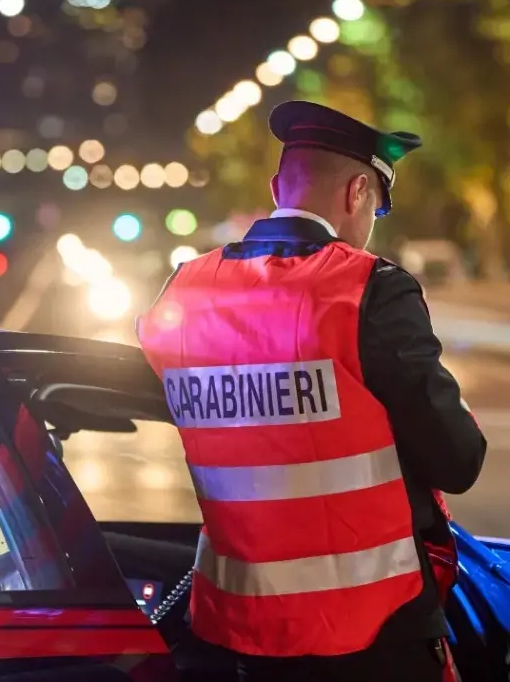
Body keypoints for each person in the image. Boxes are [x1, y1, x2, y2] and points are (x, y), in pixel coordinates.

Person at [136, 100, 486, 682]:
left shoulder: (183, 293)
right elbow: (459, 459)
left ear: (278, 187)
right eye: (375, 204)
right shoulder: (369, 289)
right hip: (374, 635)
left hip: (238, 635)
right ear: (357, 194)